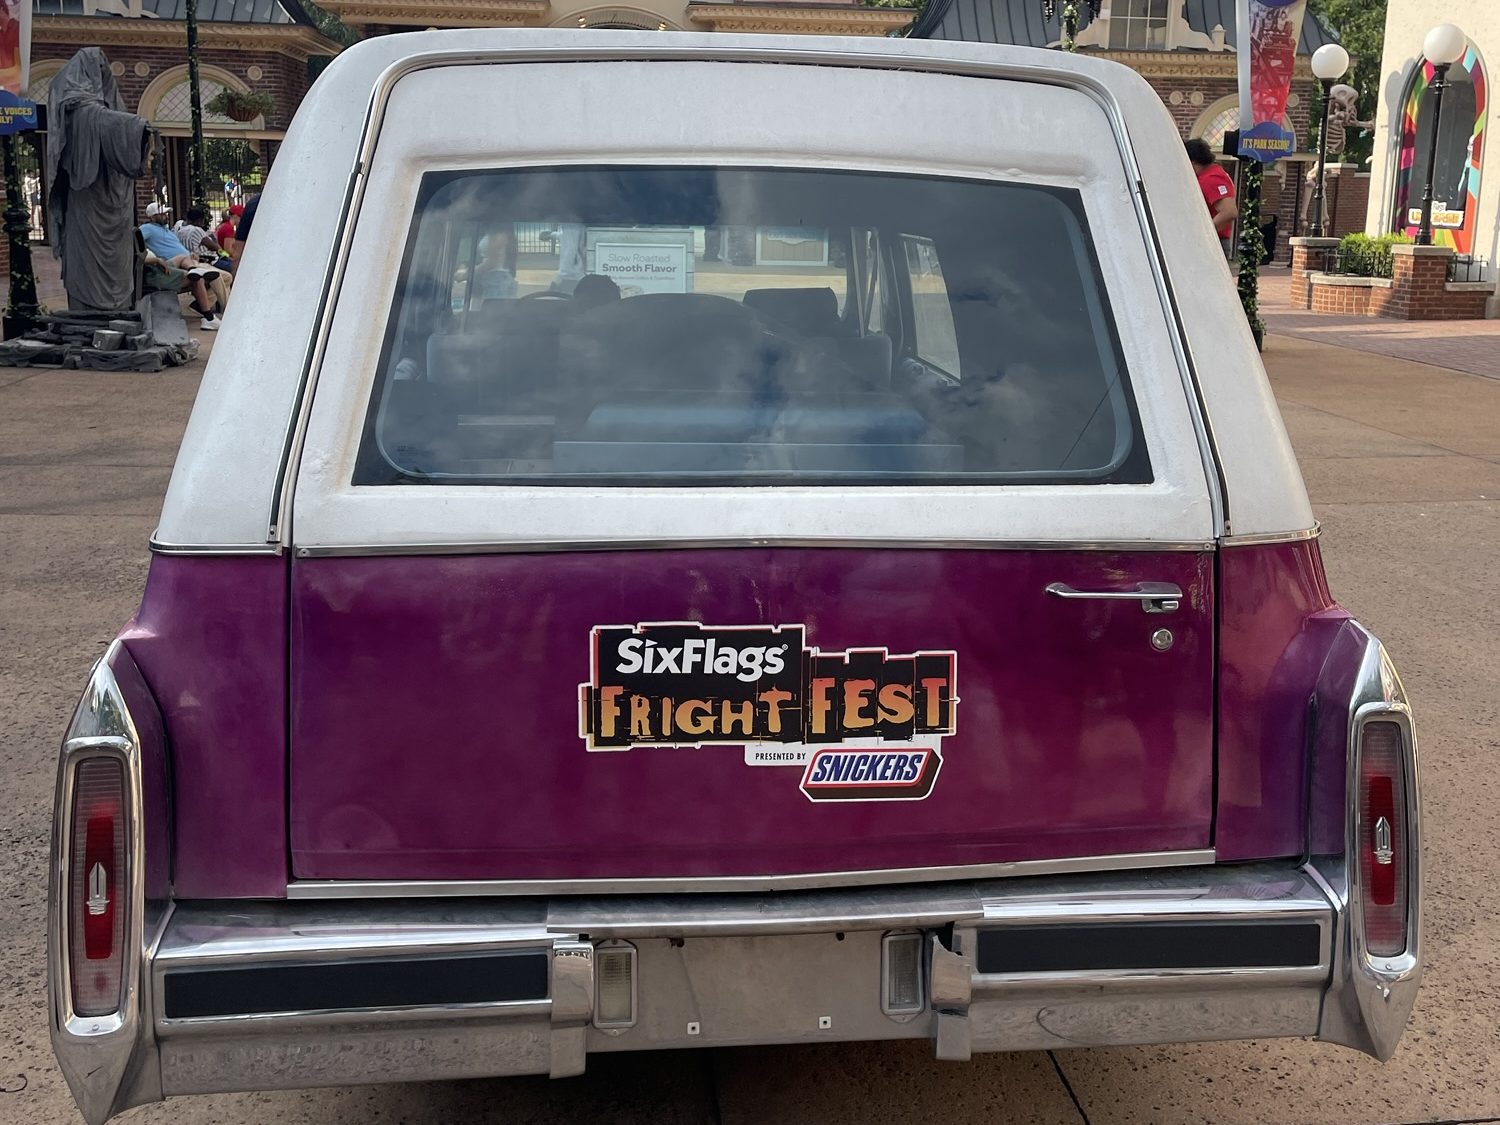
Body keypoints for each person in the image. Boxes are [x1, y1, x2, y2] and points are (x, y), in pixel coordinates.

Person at [139, 202, 222, 330]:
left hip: (181, 262)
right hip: (160, 269)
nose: (166, 216)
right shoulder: (147, 228)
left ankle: (194, 269)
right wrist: (155, 258)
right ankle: (208, 318)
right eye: (162, 214)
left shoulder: (166, 230)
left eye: (166, 213)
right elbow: (135, 244)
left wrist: (191, 255)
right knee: (198, 279)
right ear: (152, 217)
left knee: (187, 263)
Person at [1185, 138, 1238, 259]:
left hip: (1213, 242)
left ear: (1192, 162)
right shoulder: (1214, 173)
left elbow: (1229, 212)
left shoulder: (1210, 178)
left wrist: (1204, 233)